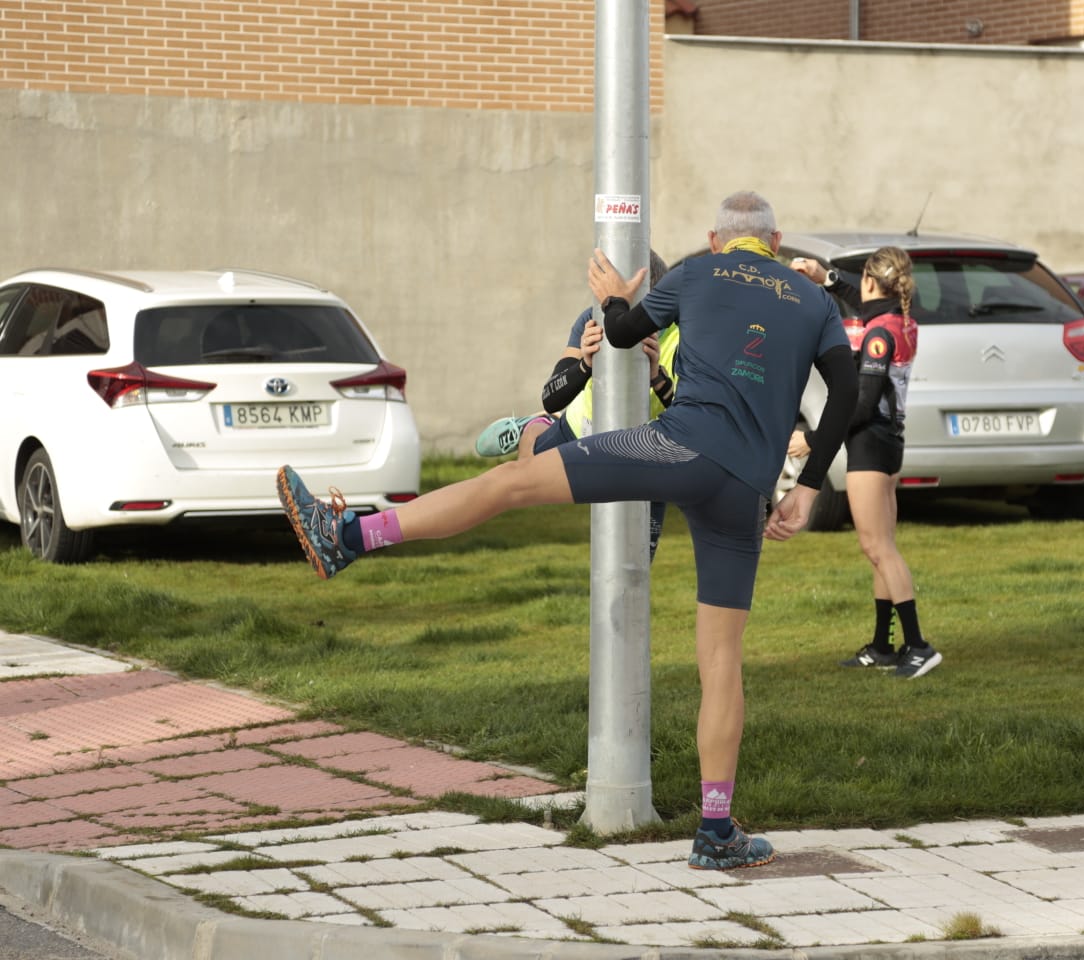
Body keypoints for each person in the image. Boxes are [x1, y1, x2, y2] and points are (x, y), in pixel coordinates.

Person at [276, 191, 859, 871]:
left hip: (677, 450)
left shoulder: (697, 272)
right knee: (721, 663)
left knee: (512, 483)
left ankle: (348, 538)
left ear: (717, 237)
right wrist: (810, 487)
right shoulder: (812, 299)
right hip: (745, 492)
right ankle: (716, 830)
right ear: (777, 239)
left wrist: (613, 296)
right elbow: (844, 395)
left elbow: (619, 335)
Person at [789, 250, 941, 679]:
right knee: (880, 548)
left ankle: (918, 645)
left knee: (878, 548)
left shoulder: (879, 335)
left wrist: (813, 439)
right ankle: (882, 646)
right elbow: (863, 300)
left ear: (875, 283)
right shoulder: (900, 321)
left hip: (870, 446)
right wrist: (826, 277)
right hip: (888, 444)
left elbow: (860, 407)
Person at [475, 251, 676, 559]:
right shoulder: (591, 318)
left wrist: (656, 377)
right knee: (525, 481)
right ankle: (535, 426)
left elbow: (693, 414)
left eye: (646, 311)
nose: (632, 322)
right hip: (581, 429)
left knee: (638, 561)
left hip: (648, 449)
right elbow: (552, 395)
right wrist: (584, 364)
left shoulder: (684, 332)